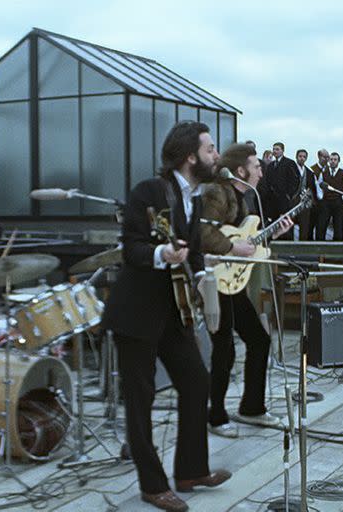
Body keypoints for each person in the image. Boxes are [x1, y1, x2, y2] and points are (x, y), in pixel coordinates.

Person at [101, 121, 230, 512]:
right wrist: (161, 254)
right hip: (137, 312)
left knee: (196, 381)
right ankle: (152, 484)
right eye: (210, 149)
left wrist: (203, 275)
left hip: (173, 310)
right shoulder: (150, 192)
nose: (216, 155)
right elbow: (132, 249)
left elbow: (190, 251)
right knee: (140, 402)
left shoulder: (191, 196)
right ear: (191, 155)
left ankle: (190, 470)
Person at [199, 143, 292, 439]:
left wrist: (272, 235)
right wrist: (232, 247)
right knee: (223, 348)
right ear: (241, 170)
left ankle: (252, 407)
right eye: (256, 166)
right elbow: (205, 234)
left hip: (231, 283)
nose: (261, 171)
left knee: (259, 339)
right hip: (213, 280)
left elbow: (248, 242)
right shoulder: (217, 192)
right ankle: (215, 415)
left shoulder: (246, 201)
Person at [316, 152, 343, 241]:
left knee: (338, 225)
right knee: (322, 225)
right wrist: (321, 197)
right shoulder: (323, 173)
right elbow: (319, 185)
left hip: (338, 202)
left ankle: (337, 247)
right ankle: (320, 246)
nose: (333, 161)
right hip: (326, 202)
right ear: (329, 161)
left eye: (335, 160)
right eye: (331, 159)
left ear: (338, 161)